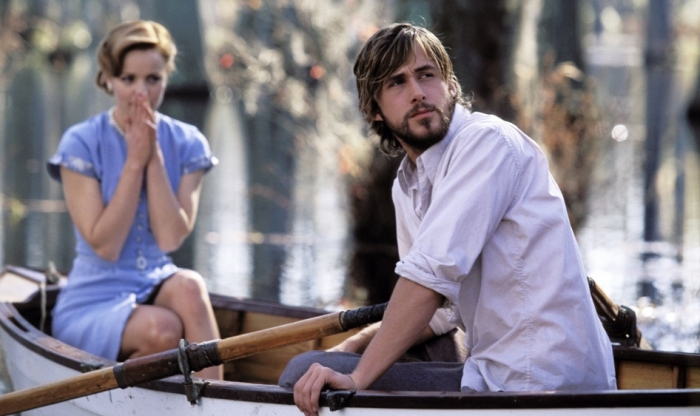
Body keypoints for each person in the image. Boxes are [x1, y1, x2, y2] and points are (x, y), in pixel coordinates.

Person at [282, 23, 617, 414]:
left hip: (537, 383)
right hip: (492, 369)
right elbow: (442, 307)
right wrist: (358, 342)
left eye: (427, 75)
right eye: (397, 83)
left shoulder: (487, 143)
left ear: (451, 86)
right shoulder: (408, 185)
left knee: (300, 370)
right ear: (374, 110)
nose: (418, 92)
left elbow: (427, 282)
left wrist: (356, 379)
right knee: (391, 347)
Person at [47, 20, 222, 379]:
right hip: (92, 299)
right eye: (128, 79)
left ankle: (219, 398)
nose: (141, 92)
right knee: (163, 329)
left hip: (157, 281)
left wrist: (153, 157)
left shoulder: (188, 142)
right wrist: (134, 161)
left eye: (153, 79)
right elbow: (106, 247)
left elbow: (170, 239)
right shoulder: (80, 143)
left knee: (190, 286)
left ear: (166, 78)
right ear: (109, 79)